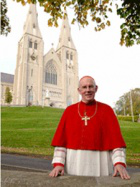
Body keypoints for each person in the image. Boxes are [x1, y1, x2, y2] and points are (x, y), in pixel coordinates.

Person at [49, 76, 130, 179]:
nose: (88, 90)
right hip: (74, 164)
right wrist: (58, 164)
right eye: (84, 87)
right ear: (79, 90)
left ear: (96, 88)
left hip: (101, 164)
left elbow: (116, 141)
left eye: (91, 87)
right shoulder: (69, 111)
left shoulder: (107, 110)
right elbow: (61, 142)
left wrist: (119, 163)